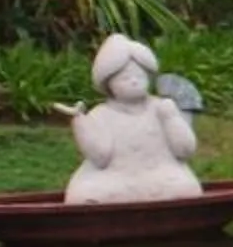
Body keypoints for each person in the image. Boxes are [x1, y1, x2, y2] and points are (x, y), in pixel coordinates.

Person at [67, 35, 202, 204]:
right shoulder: (101, 114)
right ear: (109, 84)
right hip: (114, 177)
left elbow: (185, 149)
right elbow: (100, 157)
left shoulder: (161, 107)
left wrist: (171, 118)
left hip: (161, 173)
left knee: (185, 188)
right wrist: (81, 124)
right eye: (125, 78)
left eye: (140, 76)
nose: (134, 82)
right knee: (84, 195)